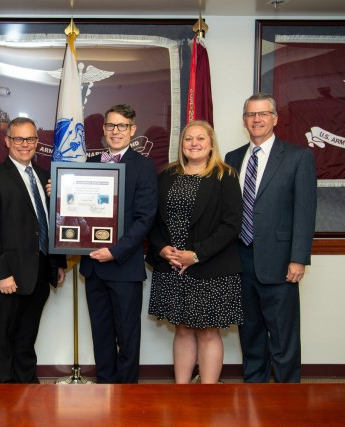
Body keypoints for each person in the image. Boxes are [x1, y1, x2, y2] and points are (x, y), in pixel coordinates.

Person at [225, 92, 317, 383]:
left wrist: (298, 259)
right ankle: (255, 395)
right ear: (244, 121)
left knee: (283, 338)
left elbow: (305, 212)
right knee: (250, 334)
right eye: (251, 115)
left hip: (280, 262)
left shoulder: (297, 156)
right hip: (240, 260)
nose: (256, 119)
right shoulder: (233, 158)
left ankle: (289, 399)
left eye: (263, 114)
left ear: (274, 118)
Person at [146, 120, 244, 384]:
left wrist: (196, 254)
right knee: (182, 329)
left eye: (201, 138)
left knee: (208, 332)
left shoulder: (225, 176)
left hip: (210, 268)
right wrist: (162, 249)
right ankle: (182, 390)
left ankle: (208, 393)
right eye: (189, 139)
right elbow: (152, 220)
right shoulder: (167, 175)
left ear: (211, 143)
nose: (194, 144)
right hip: (172, 267)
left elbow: (231, 226)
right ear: (182, 144)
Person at [0, 117, 66, 383]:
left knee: (28, 332)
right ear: (7, 141)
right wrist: (0, 274)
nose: (24, 144)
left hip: (40, 269)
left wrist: (58, 263)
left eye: (30, 139)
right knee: (5, 334)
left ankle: (26, 382)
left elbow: (54, 222)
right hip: (10, 274)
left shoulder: (46, 177)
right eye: (18, 139)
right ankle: (3, 386)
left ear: (38, 142)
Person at [79, 104, 158, 384]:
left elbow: (144, 218)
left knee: (127, 336)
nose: (115, 131)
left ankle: (127, 395)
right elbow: (78, 213)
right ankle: (105, 390)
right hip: (93, 266)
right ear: (103, 130)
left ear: (132, 130)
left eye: (122, 126)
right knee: (101, 335)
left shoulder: (144, 167)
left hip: (123, 267)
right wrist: (59, 195)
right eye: (110, 125)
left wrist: (115, 250)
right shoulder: (90, 165)